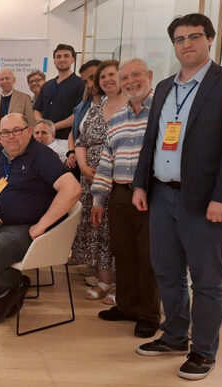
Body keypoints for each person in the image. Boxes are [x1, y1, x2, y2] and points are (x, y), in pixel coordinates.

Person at [132, 14, 222, 380]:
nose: (187, 43)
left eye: (195, 36)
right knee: (167, 273)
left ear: (210, 39)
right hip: (162, 196)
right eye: (180, 38)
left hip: (206, 202)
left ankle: (203, 351)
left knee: (206, 281)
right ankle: (173, 337)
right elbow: (151, 142)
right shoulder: (167, 87)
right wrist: (141, 184)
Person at [0, 113, 81, 324]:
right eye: (5, 132)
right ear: (0, 135)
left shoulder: (42, 156)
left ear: (28, 132)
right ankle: (2, 293)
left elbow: (73, 189)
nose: (11, 136)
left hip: (26, 227)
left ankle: (13, 284)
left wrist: (41, 225)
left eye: (17, 131)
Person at [89, 57, 160, 339]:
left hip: (151, 195)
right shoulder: (117, 118)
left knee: (148, 257)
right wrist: (98, 199)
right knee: (124, 253)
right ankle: (127, 306)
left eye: (136, 75)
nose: (130, 81)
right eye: (125, 77)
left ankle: (148, 314)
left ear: (149, 75)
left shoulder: (162, 112)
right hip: (118, 194)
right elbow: (107, 159)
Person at [71, 60, 124, 304]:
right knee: (96, 230)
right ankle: (104, 280)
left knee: (117, 232)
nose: (106, 80)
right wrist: (83, 166)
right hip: (90, 178)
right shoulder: (96, 106)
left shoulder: (134, 105)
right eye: (103, 77)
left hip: (119, 179)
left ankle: (121, 284)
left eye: (111, 75)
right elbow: (81, 141)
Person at [33, 44, 85, 140]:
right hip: (44, 138)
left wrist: (52, 127)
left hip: (67, 139)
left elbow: (79, 114)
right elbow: (37, 110)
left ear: (73, 60)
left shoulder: (80, 84)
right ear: (54, 61)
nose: (62, 59)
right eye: (58, 57)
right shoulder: (47, 85)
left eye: (66, 56)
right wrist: (42, 125)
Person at [66, 59, 102, 181]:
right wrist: (71, 152)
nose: (90, 84)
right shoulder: (82, 106)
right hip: (84, 169)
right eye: (86, 81)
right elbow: (75, 133)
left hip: (104, 169)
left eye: (93, 77)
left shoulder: (113, 104)